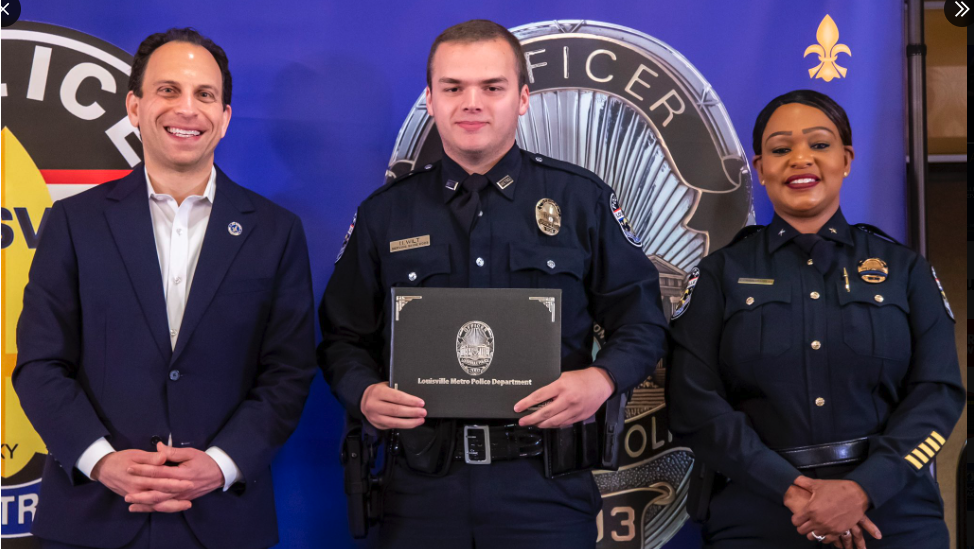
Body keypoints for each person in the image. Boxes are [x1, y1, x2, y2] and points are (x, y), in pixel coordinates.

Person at [319, 19, 668, 549]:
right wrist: (363, 392)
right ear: (431, 101)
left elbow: (641, 319)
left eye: (493, 87)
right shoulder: (385, 216)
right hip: (421, 488)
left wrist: (600, 380)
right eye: (453, 88)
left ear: (523, 98)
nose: (471, 103)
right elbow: (342, 337)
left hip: (545, 486)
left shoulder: (580, 202)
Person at [13, 28, 317, 549]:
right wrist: (100, 459)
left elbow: (287, 373)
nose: (187, 109)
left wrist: (220, 465)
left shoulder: (276, 231)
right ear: (135, 106)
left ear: (223, 117)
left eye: (205, 95)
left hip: (223, 519)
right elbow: (41, 363)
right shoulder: (73, 223)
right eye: (168, 90)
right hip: (92, 518)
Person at [668, 89, 965, 549]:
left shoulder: (907, 271)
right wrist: (792, 490)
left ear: (846, 159)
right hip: (760, 513)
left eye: (820, 145)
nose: (799, 159)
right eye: (781, 149)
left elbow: (938, 392)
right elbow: (694, 403)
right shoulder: (720, 274)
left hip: (892, 513)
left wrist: (863, 489)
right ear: (761, 167)